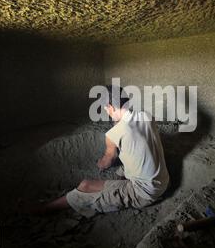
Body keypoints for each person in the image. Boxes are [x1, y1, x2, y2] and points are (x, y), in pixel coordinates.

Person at [28, 85, 170, 217]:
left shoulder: (114, 134)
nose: (107, 113)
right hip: (162, 181)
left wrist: (101, 162)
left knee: (84, 187)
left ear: (110, 107)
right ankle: (119, 183)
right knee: (119, 170)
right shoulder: (147, 116)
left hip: (144, 193)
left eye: (106, 109)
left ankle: (44, 209)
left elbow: (106, 162)